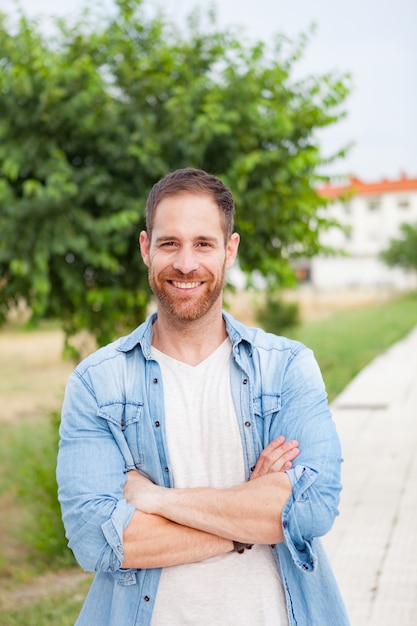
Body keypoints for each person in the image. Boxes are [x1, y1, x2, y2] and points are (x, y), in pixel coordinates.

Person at [57, 167, 350, 625]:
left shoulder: (286, 366)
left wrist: (155, 500)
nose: (186, 263)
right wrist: (250, 518)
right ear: (145, 248)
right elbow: (97, 541)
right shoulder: (99, 384)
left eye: (204, 244)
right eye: (169, 243)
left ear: (229, 250)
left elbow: (311, 510)